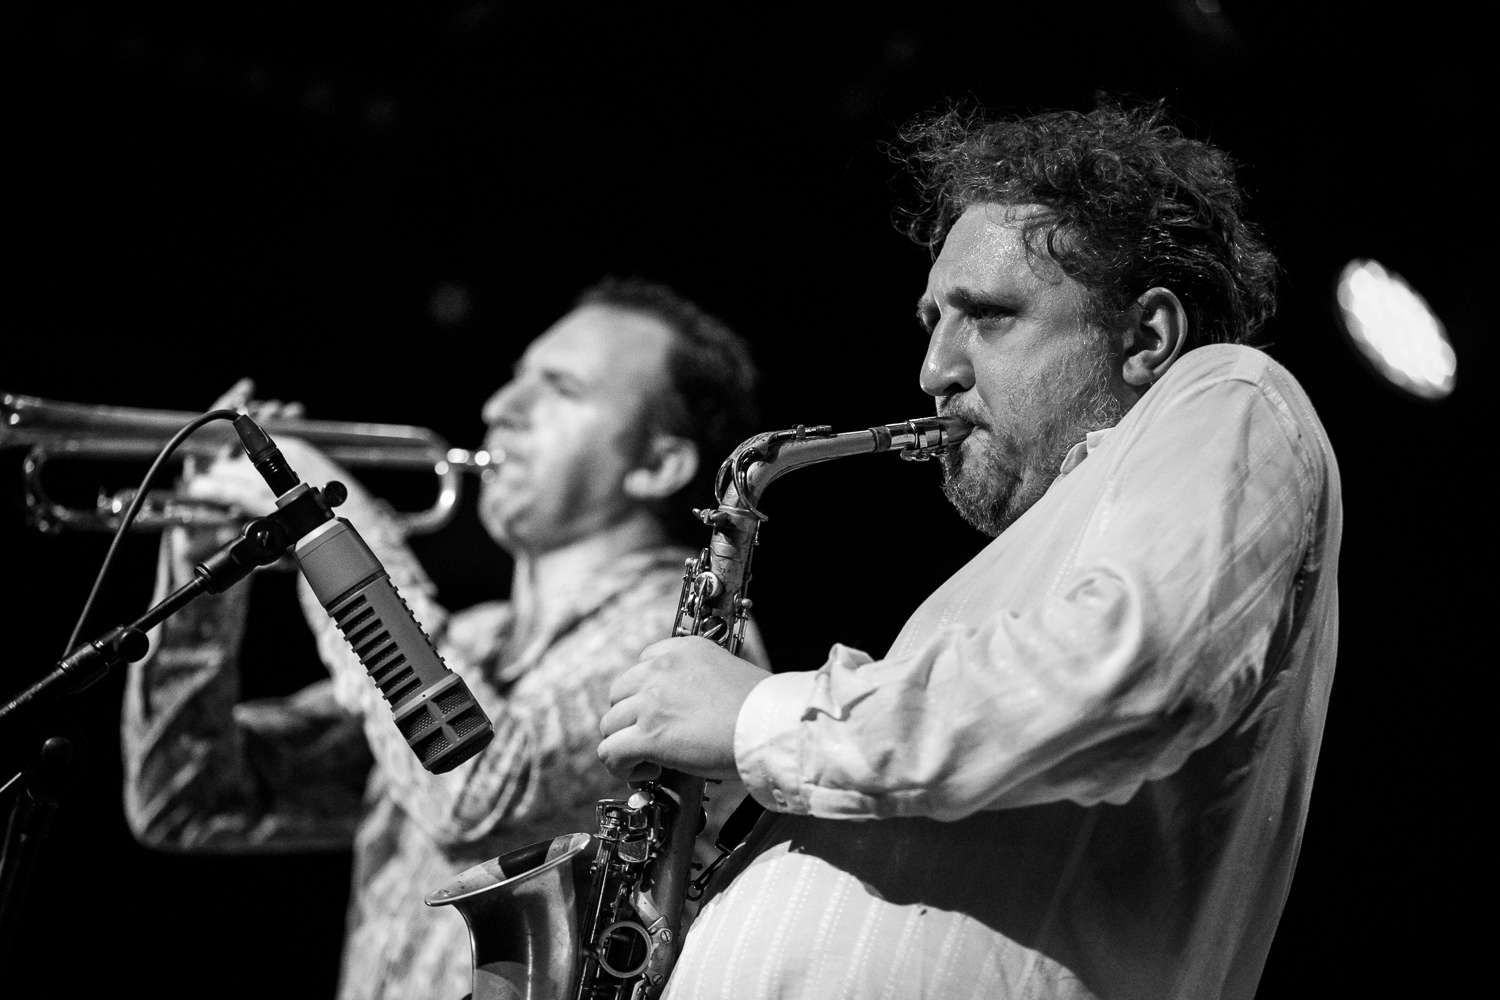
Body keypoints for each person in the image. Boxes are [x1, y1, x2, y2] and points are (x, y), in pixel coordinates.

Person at [598, 98, 1342, 1000]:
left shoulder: (1230, 397)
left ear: (1147, 336)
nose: (933, 371)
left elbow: (1127, 676)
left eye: (988, 316)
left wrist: (760, 720)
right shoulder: (1021, 569)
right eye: (931, 322)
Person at [121, 277, 762, 1000]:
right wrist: (202, 554)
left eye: (560, 388)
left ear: (658, 465)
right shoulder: (473, 641)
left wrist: (333, 538)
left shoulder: (688, 642)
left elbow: (471, 791)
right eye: (516, 377)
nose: (499, 408)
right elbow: (191, 798)